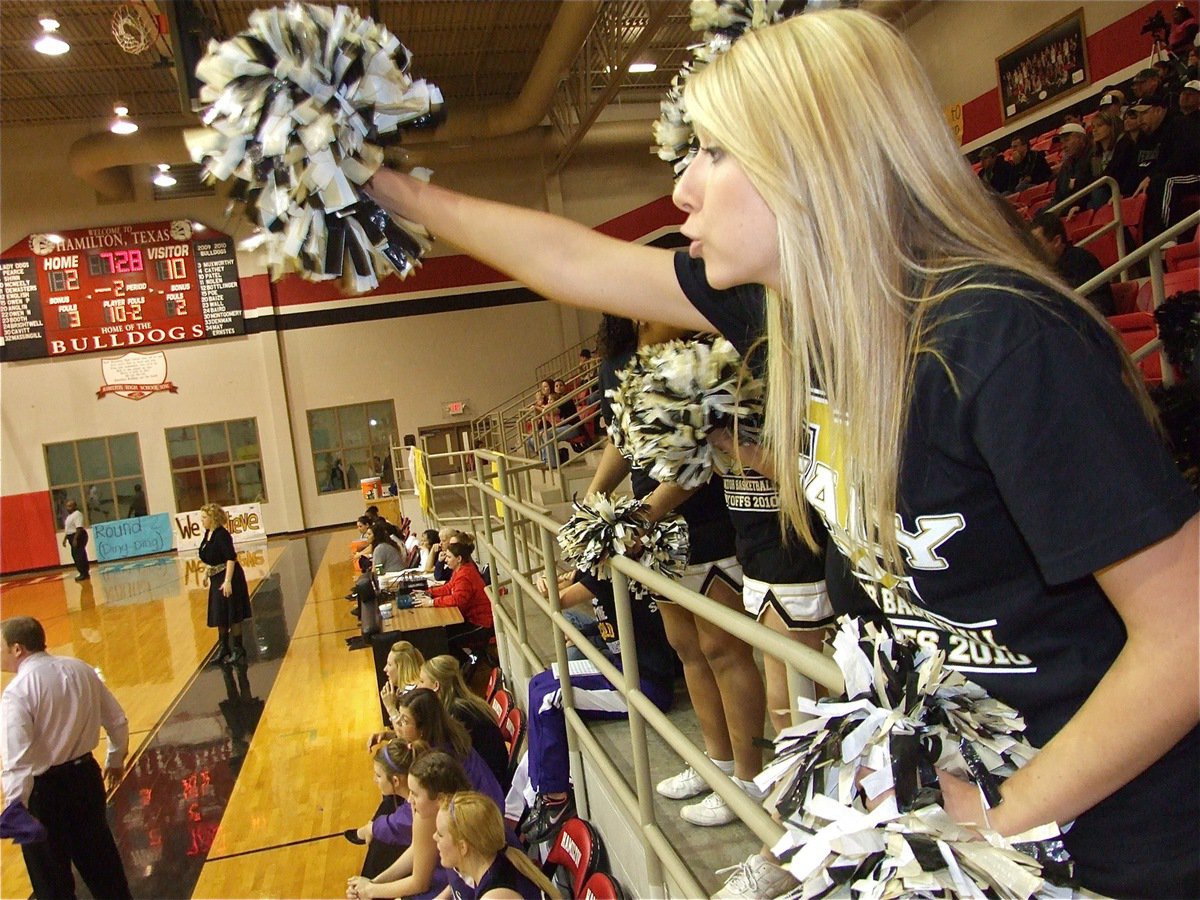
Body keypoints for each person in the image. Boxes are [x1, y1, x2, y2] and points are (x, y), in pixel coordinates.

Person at [366, 10, 1198, 896]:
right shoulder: (799, 316)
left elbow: (1185, 637)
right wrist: (397, 192)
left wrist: (1003, 813)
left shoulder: (1004, 340)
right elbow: (574, 261)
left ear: (815, 164)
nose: (683, 189)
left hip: (1105, 847)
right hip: (961, 817)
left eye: (714, 152)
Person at [517, 568, 676, 844]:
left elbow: (558, 599)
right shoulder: (598, 572)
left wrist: (548, 584)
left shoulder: (606, 572)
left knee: (548, 699)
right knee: (539, 683)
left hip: (643, 686)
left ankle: (554, 798)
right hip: (618, 668)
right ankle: (539, 789)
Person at [0, 616, 133, 899]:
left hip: (44, 793)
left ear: (17, 649)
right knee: (104, 867)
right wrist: (115, 759)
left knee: (52, 883)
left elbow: (17, 763)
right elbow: (117, 720)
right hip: (86, 778)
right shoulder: (81, 669)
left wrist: (17, 808)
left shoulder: (17, 692)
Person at [347, 749, 469, 900]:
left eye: (415, 794)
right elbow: (417, 850)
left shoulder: (464, 831)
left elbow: (422, 882)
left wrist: (371, 891)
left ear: (440, 799)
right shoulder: (426, 811)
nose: (410, 800)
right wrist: (372, 884)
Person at [432, 791, 560, 900]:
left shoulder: (494, 895)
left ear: (463, 847)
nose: (434, 837)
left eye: (440, 834)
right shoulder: (497, 862)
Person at [417, 655, 510, 793]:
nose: (418, 686)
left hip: (491, 785)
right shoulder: (462, 703)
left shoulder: (458, 714)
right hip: (491, 777)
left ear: (436, 686)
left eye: (422, 681)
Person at [345, 740, 417, 880]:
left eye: (378, 775)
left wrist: (368, 830)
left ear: (396, 781)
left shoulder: (414, 812)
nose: (374, 780)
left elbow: (391, 824)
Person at [413, 537, 494, 659]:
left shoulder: (465, 575)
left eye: (449, 557)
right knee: (440, 634)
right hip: (471, 618)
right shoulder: (460, 570)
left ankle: (466, 665)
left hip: (480, 624)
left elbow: (457, 600)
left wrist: (432, 602)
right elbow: (448, 587)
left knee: (444, 640)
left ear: (459, 559)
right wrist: (428, 593)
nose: (446, 560)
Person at [1029, 211, 1116, 315]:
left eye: (1038, 244)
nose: (1033, 250)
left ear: (1057, 241)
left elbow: (1101, 307)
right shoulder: (1039, 270)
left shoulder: (1082, 261)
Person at [199, 502, 252, 665]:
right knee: (219, 613)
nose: (202, 521)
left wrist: (228, 581)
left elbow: (230, 558)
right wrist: (207, 572)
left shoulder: (222, 535)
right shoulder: (208, 533)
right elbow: (211, 557)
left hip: (229, 577)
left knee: (232, 613)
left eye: (204, 517)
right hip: (216, 578)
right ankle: (224, 648)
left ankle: (238, 648)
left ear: (213, 518)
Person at [1088, 108, 1140, 202]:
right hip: (1108, 191)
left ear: (1112, 126)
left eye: (1099, 125)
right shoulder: (1095, 155)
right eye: (1093, 127)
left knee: (1098, 194)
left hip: (1124, 190)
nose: (1094, 130)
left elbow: (1115, 172)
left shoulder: (1125, 144)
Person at [1051, 122, 1093, 208]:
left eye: (1067, 140)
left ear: (1081, 138)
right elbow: (1058, 197)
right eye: (1062, 142)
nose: (1063, 146)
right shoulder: (1065, 167)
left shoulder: (1094, 157)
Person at [61, 498, 89, 581]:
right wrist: (65, 538)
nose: (68, 508)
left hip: (78, 536)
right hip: (71, 536)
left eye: (70, 506)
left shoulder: (77, 514)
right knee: (76, 555)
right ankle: (83, 572)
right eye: (67, 506)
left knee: (79, 555)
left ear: (75, 506)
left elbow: (79, 528)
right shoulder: (70, 516)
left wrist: (75, 539)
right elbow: (69, 529)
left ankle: (84, 573)